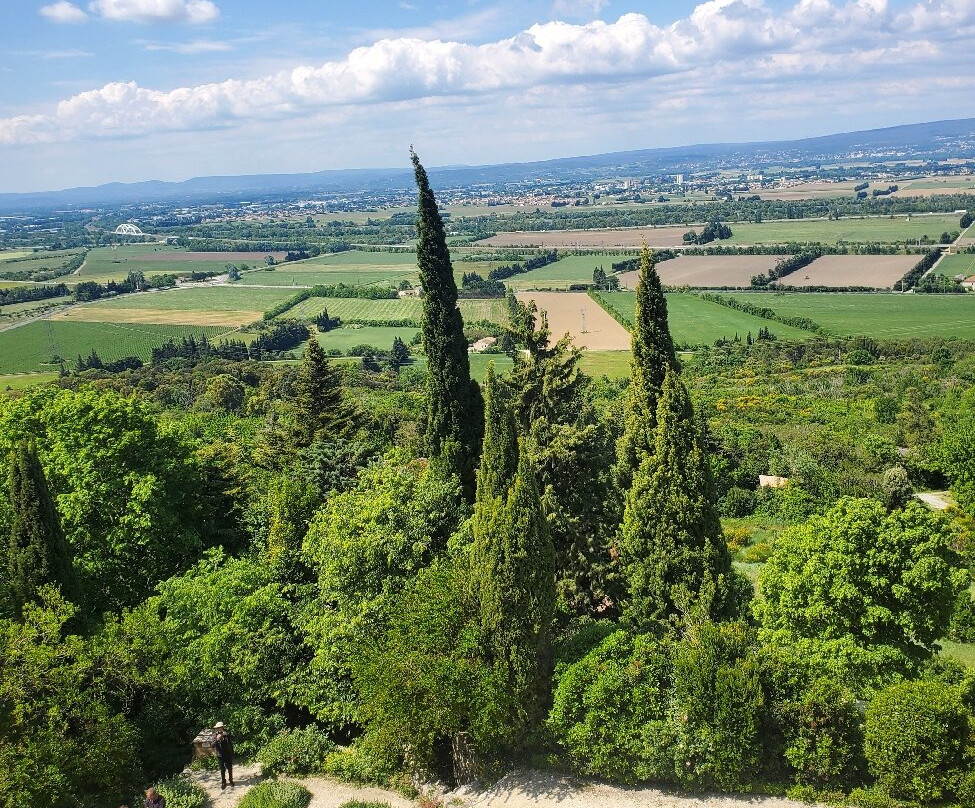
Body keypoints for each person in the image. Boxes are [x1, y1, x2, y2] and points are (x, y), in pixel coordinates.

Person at [213, 721, 235, 789]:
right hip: (220, 755)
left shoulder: (227, 734)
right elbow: (212, 745)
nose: (219, 729)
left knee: (230, 768)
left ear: (222, 727)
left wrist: (227, 734)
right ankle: (223, 782)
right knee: (222, 769)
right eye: (218, 728)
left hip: (228, 754)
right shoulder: (215, 735)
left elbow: (232, 740)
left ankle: (231, 780)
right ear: (216, 728)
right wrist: (217, 739)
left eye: (220, 727)